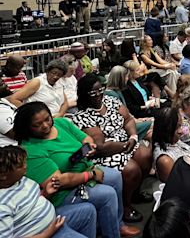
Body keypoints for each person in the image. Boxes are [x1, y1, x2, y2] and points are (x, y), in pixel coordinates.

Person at [13, 101, 140, 238]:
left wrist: (89, 147)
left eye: (47, 119)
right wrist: (90, 175)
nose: (45, 126)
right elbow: (59, 182)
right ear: (27, 128)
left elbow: (86, 138)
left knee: (114, 176)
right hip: (64, 192)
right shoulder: (31, 150)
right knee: (107, 194)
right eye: (37, 125)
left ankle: (117, 224)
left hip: (84, 167)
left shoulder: (61, 123)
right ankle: (112, 234)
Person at [74, 74, 153, 223]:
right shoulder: (82, 115)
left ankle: (134, 192)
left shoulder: (110, 101)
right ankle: (125, 206)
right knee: (132, 169)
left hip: (126, 140)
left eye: (100, 90)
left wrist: (133, 137)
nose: (98, 95)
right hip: (104, 153)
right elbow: (100, 146)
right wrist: (125, 145)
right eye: (93, 92)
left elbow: (128, 119)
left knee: (146, 155)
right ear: (84, 94)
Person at [0, 145, 98, 238]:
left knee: (89, 210)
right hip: (43, 234)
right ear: (3, 175)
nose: (25, 166)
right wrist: (46, 234)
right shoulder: (2, 205)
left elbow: (30, 202)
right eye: (20, 165)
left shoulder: (20, 179)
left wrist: (46, 194)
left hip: (52, 220)